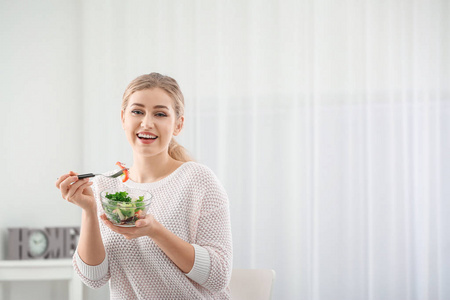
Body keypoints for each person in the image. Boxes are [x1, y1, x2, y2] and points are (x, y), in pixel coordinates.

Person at [55, 73, 233, 299]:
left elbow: (218, 276)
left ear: (178, 125)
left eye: (160, 114)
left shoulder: (198, 180)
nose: (147, 123)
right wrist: (89, 210)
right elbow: (94, 277)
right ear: (123, 118)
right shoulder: (105, 187)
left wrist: (155, 231)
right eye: (137, 111)